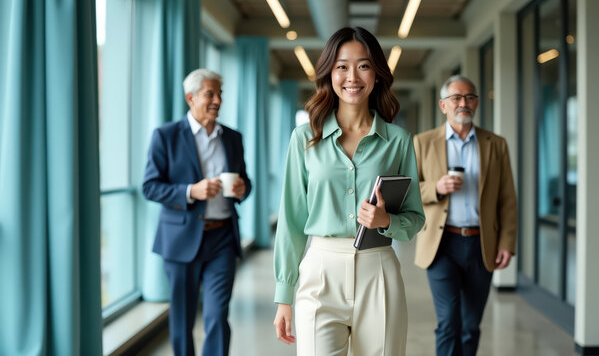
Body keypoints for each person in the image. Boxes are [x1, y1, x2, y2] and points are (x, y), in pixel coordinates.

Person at [272, 27, 425, 355]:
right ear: (329, 72)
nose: (352, 76)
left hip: (378, 270)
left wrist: (386, 221)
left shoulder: (398, 141)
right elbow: (292, 218)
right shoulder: (304, 138)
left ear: (377, 74)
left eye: (363, 65)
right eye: (342, 66)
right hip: (320, 271)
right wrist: (284, 294)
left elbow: (414, 218)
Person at [143, 69, 251, 356]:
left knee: (217, 316)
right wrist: (191, 191)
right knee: (182, 319)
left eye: (220, 94)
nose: (218, 100)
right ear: (190, 98)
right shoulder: (165, 136)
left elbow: (245, 180)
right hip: (180, 240)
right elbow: (150, 187)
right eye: (210, 94)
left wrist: (242, 188)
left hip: (223, 239)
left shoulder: (232, 138)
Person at [413, 75, 517, 356]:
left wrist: (507, 243)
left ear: (478, 102)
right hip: (441, 244)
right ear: (443, 105)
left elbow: (507, 199)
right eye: (456, 98)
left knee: (471, 325)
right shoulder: (423, 143)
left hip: (481, 244)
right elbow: (408, 190)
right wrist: (436, 187)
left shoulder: (496, 144)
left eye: (469, 97)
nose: (463, 103)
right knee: (448, 323)